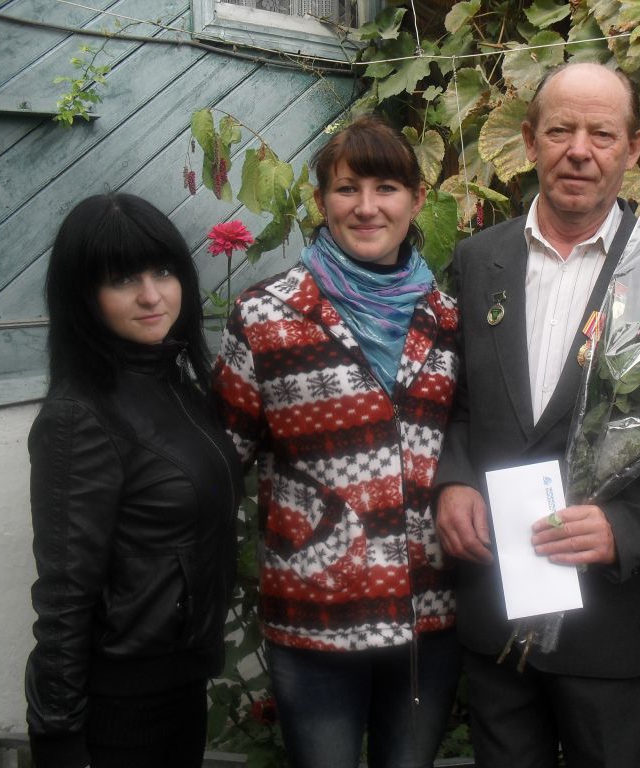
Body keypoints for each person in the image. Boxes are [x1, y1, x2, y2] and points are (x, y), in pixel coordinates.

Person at [434, 62, 640, 768]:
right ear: (530, 139)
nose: (579, 151)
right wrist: (455, 479)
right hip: (497, 603)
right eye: (561, 130)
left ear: (634, 147)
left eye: (602, 134)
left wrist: (626, 527)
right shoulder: (477, 260)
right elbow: (455, 402)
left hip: (612, 625)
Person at [212, 115, 461, 768]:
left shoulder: (447, 320)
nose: (367, 207)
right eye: (348, 189)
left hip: (428, 613)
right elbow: (219, 459)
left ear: (417, 201)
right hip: (315, 617)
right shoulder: (266, 317)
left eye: (387, 188)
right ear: (322, 201)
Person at [24, 193, 242, 768]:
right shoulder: (79, 416)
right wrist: (58, 733)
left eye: (163, 272)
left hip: (180, 685)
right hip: (119, 707)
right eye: (123, 280)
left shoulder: (176, 385)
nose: (151, 295)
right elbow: (64, 593)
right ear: (83, 296)